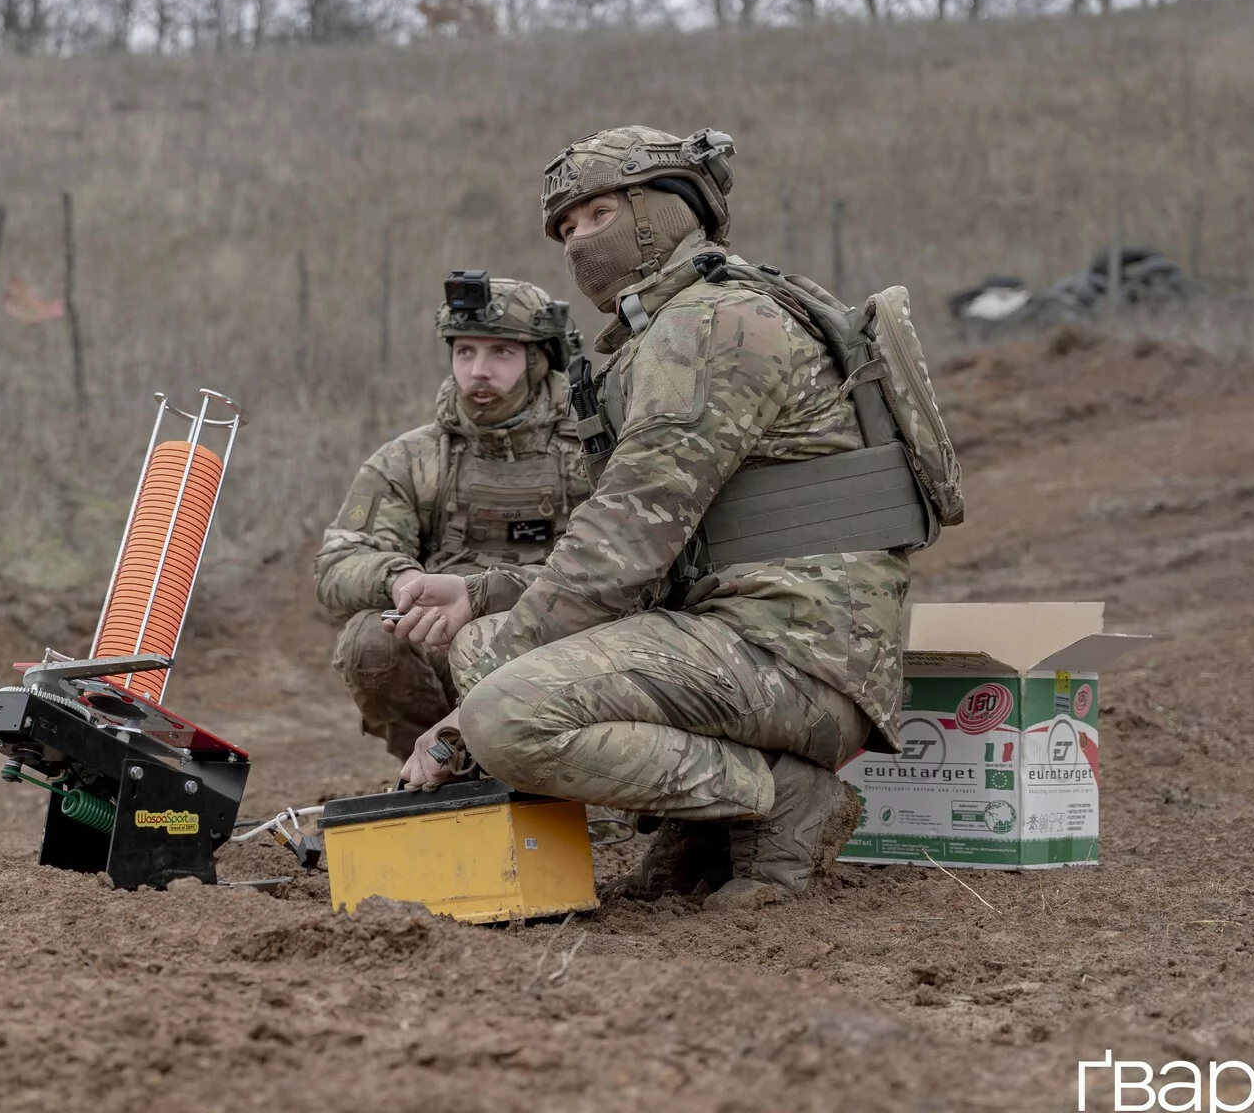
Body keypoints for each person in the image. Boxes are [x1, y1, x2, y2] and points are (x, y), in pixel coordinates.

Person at [391, 127, 923, 910]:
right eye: (565, 229)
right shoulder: (673, 327)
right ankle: (709, 823)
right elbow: (661, 544)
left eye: (598, 214)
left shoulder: (708, 325)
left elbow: (626, 542)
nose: (578, 244)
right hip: (749, 638)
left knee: (503, 713)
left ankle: (780, 796)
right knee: (481, 649)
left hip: (797, 653)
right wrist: (487, 594)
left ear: (668, 208)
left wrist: (458, 729)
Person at [314, 274, 591, 760]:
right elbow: (339, 561)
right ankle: (441, 766)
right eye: (465, 352)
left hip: (563, 640)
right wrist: (400, 578)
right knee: (370, 640)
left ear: (539, 359)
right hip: (446, 640)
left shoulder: (593, 451)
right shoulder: (414, 458)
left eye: (500, 353)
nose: (479, 371)